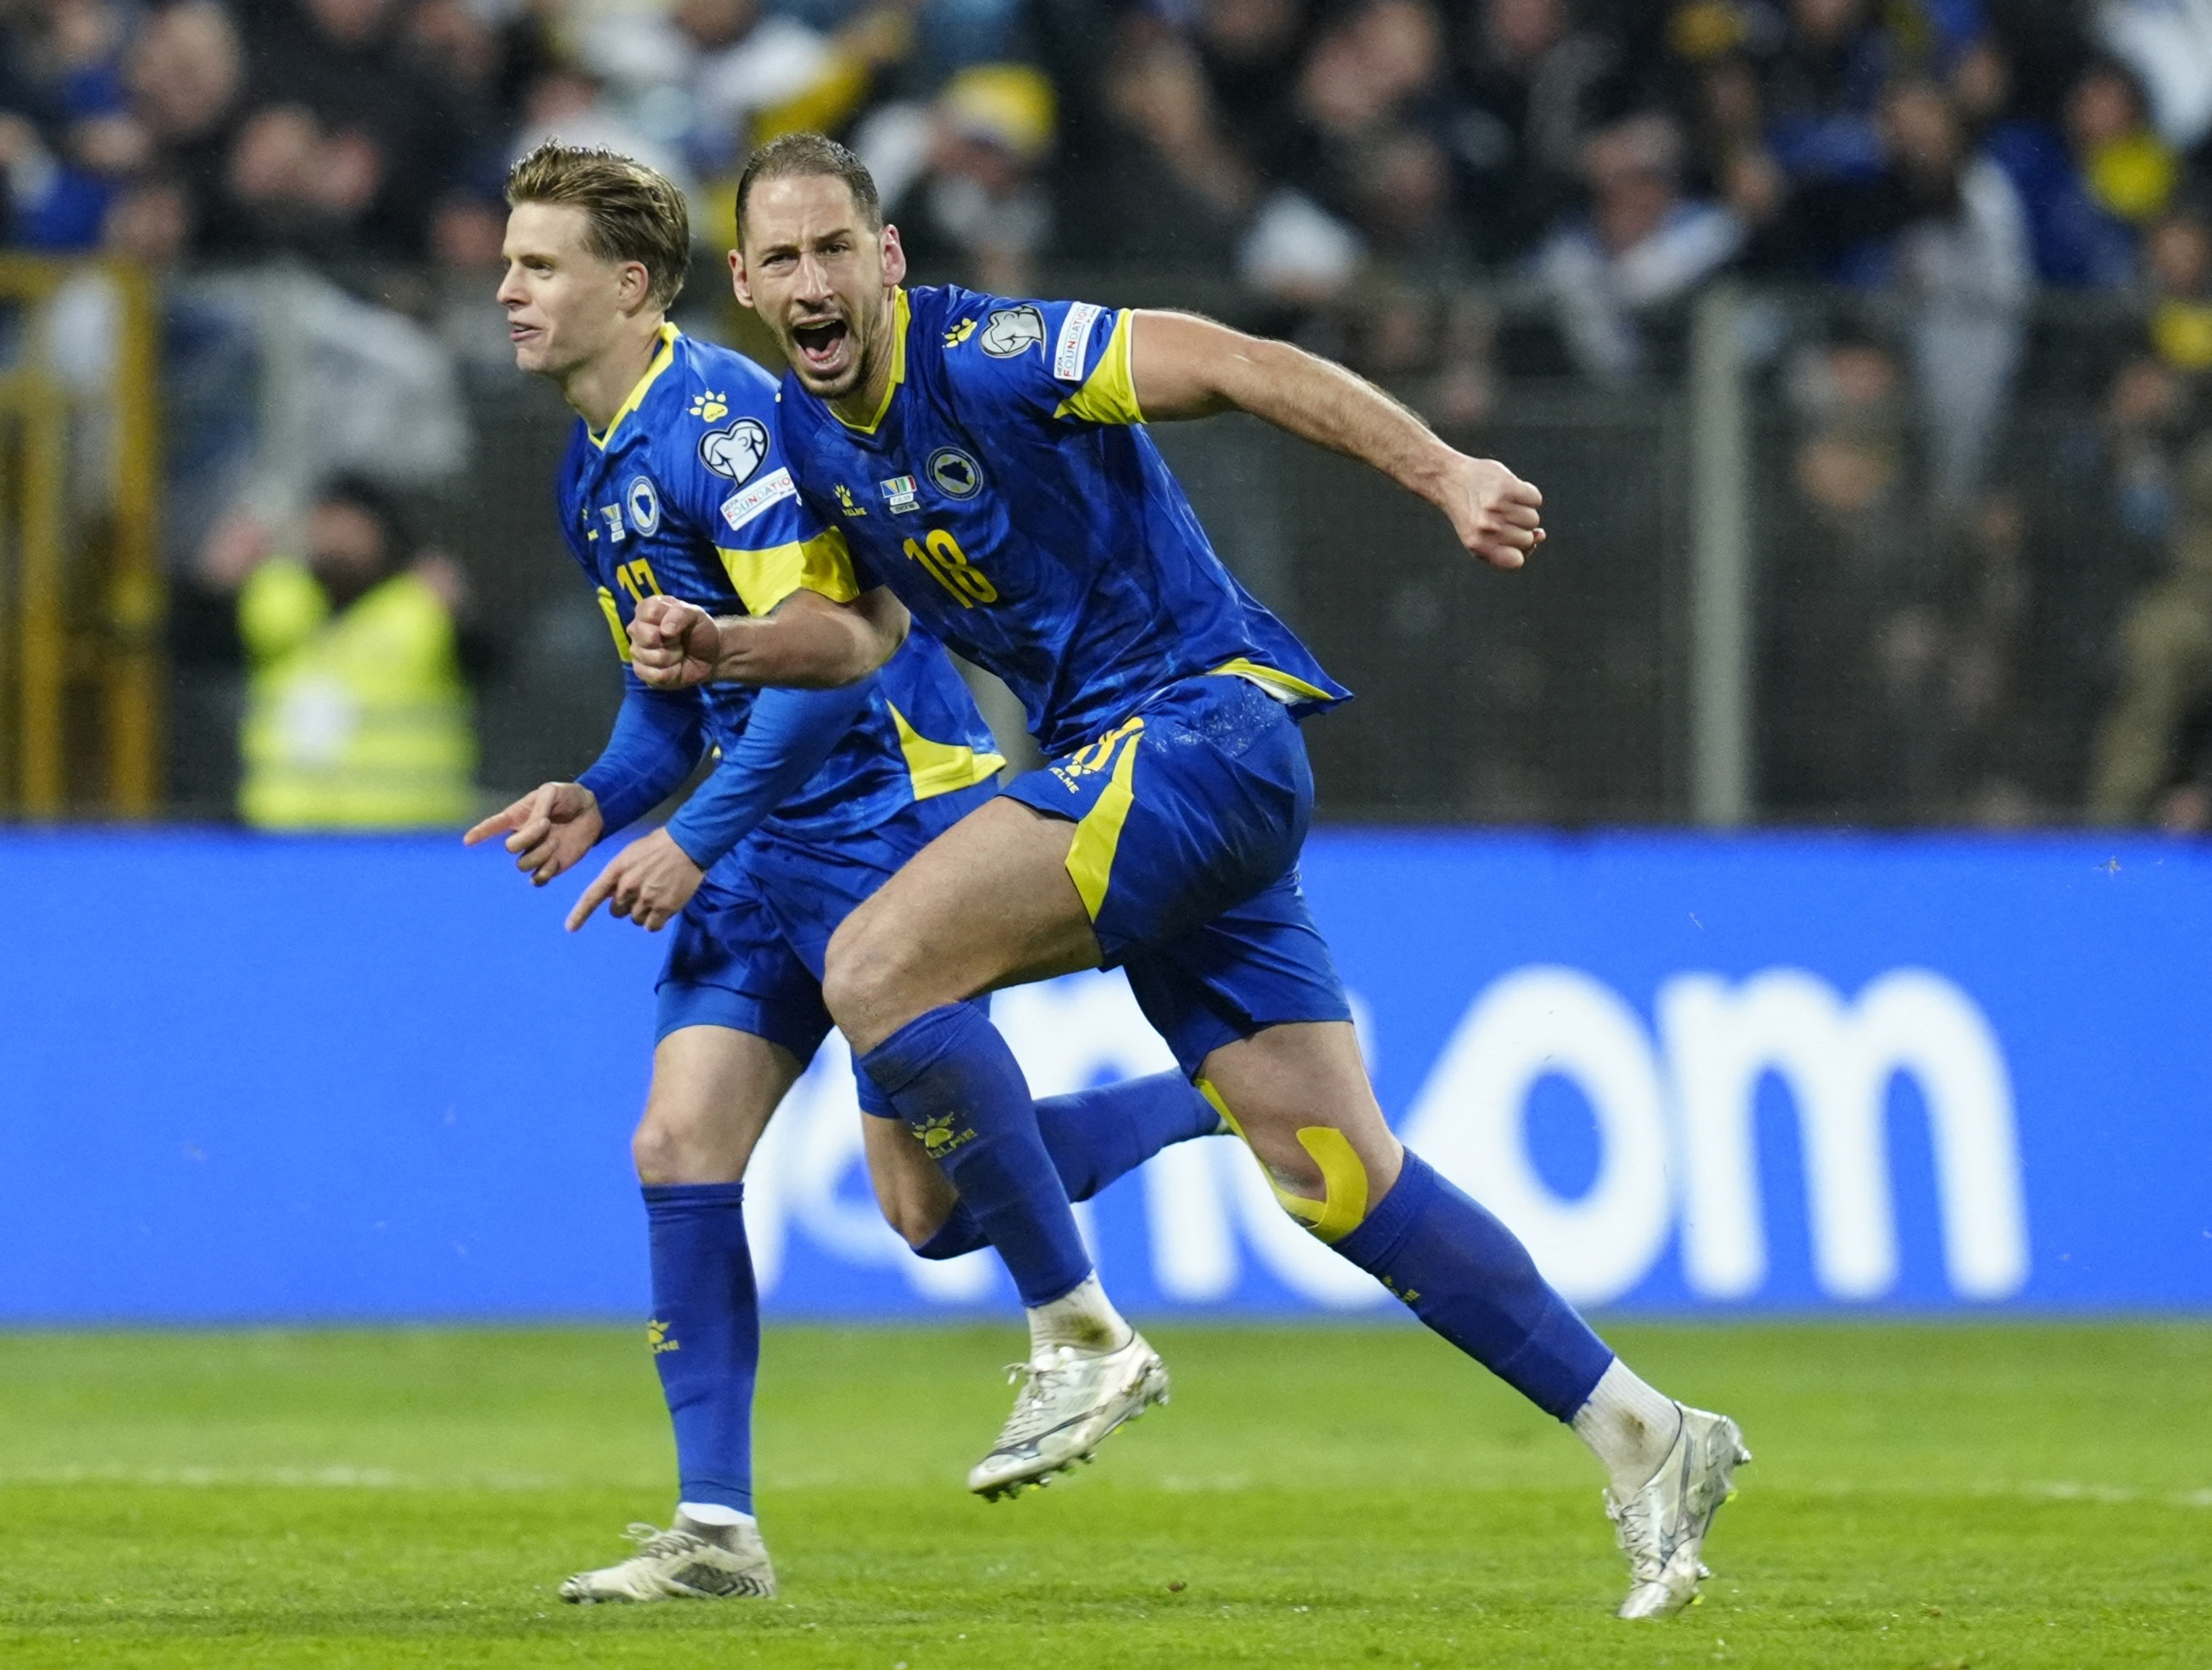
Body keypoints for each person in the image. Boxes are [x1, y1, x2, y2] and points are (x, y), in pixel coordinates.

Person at [628, 131, 1750, 1622]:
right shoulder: (817, 440)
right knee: (1329, 1174)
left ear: (886, 258)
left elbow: (1234, 360)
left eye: (838, 246)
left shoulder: (995, 352)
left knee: (880, 963)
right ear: (752, 287)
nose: (814, 278)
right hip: (1144, 786)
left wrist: (1443, 469)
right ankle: (1648, 1435)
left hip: (1199, 728)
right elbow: (867, 638)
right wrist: (728, 646)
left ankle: (1078, 1332)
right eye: (781, 258)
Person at [471, 142, 1227, 1603]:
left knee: (928, 1214)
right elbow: (680, 695)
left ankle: (1199, 1105)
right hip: (761, 837)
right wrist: (604, 791)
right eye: (510, 262)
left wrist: (685, 836)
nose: (507, 288)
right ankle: (715, 1533)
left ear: (631, 288)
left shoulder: (727, 433)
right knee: (675, 1145)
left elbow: (827, 672)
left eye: (538, 265)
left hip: (884, 813)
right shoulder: (599, 463)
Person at [191, 474, 484, 831]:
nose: (337, 542)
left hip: (407, 833)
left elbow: (489, 668)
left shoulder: (422, 604)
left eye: (352, 528)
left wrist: (461, 616)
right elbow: (193, 658)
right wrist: (212, 591)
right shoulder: (273, 598)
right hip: (285, 831)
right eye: (328, 524)